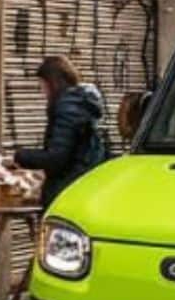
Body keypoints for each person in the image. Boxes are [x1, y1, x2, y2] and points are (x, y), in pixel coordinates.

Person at [13, 56, 106, 209]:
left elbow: (57, 157)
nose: (43, 92)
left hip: (67, 189)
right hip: (82, 185)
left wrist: (20, 157)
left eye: (42, 85)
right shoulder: (81, 105)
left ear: (52, 83)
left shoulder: (68, 109)